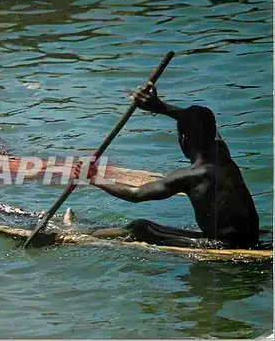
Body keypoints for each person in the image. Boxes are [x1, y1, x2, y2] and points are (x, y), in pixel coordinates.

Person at [73, 82, 259, 249]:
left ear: (183, 139)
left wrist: (93, 178)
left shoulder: (192, 175)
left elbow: (135, 194)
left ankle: (78, 235)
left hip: (224, 245)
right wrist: (160, 107)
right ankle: (91, 229)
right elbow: (201, 123)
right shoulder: (223, 156)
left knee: (141, 228)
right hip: (250, 237)